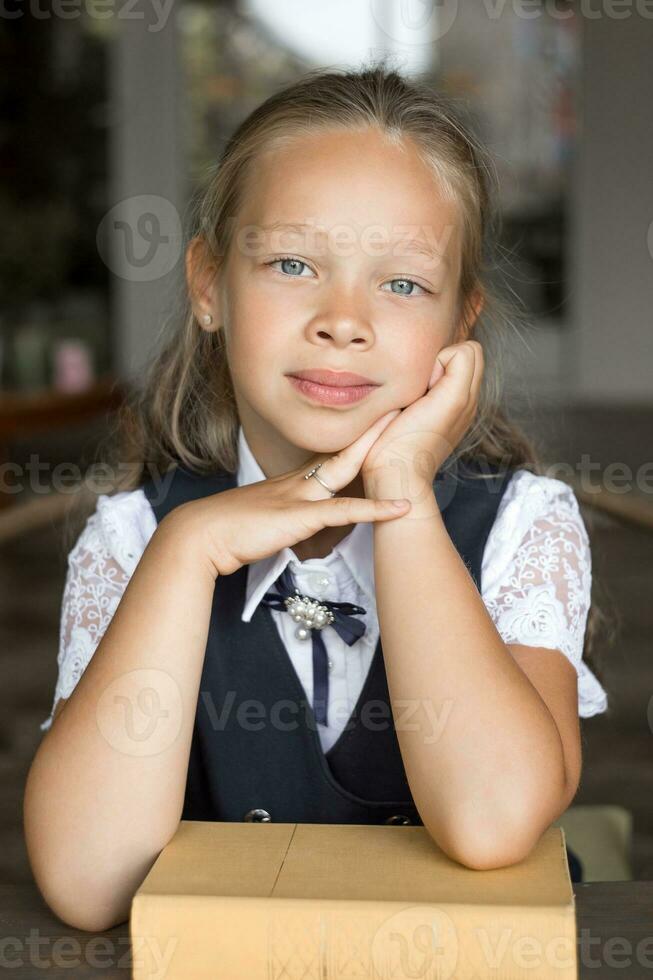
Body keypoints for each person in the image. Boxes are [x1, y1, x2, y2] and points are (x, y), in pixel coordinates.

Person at [24, 63, 609, 932]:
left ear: (460, 325)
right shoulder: (134, 536)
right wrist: (183, 556)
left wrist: (403, 490)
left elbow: (489, 824)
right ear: (209, 285)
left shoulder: (524, 525)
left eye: (401, 283)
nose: (344, 318)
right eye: (293, 262)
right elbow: (89, 884)